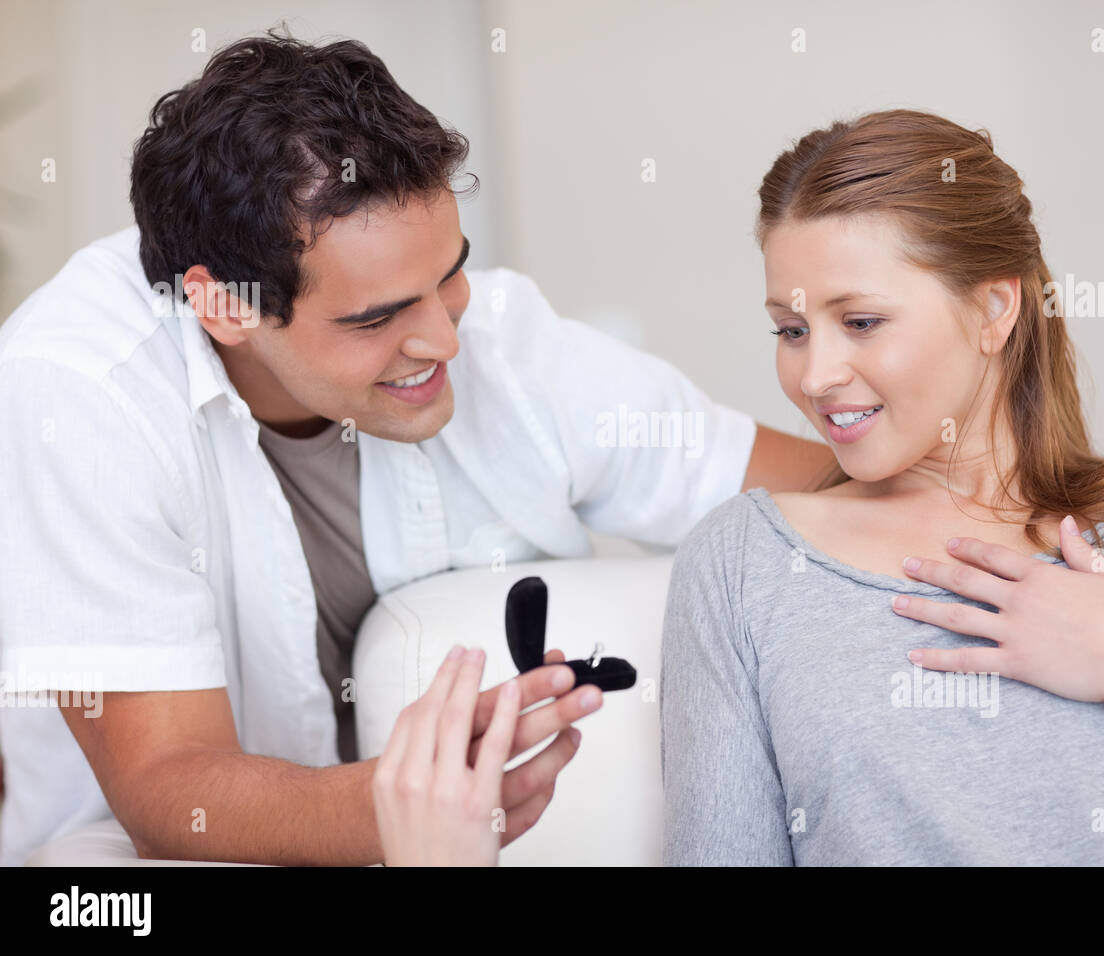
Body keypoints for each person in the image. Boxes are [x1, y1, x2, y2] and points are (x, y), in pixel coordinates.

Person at [0, 31, 836, 867]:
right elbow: (167, 786)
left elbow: (817, 489)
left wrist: (961, 527)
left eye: (452, 275)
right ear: (225, 308)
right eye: (377, 318)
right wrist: (427, 808)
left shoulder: (506, 341)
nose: (443, 339)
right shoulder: (78, 390)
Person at [660, 109, 1104, 866]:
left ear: (995, 308)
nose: (814, 375)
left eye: (860, 321)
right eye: (791, 331)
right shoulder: (740, 567)